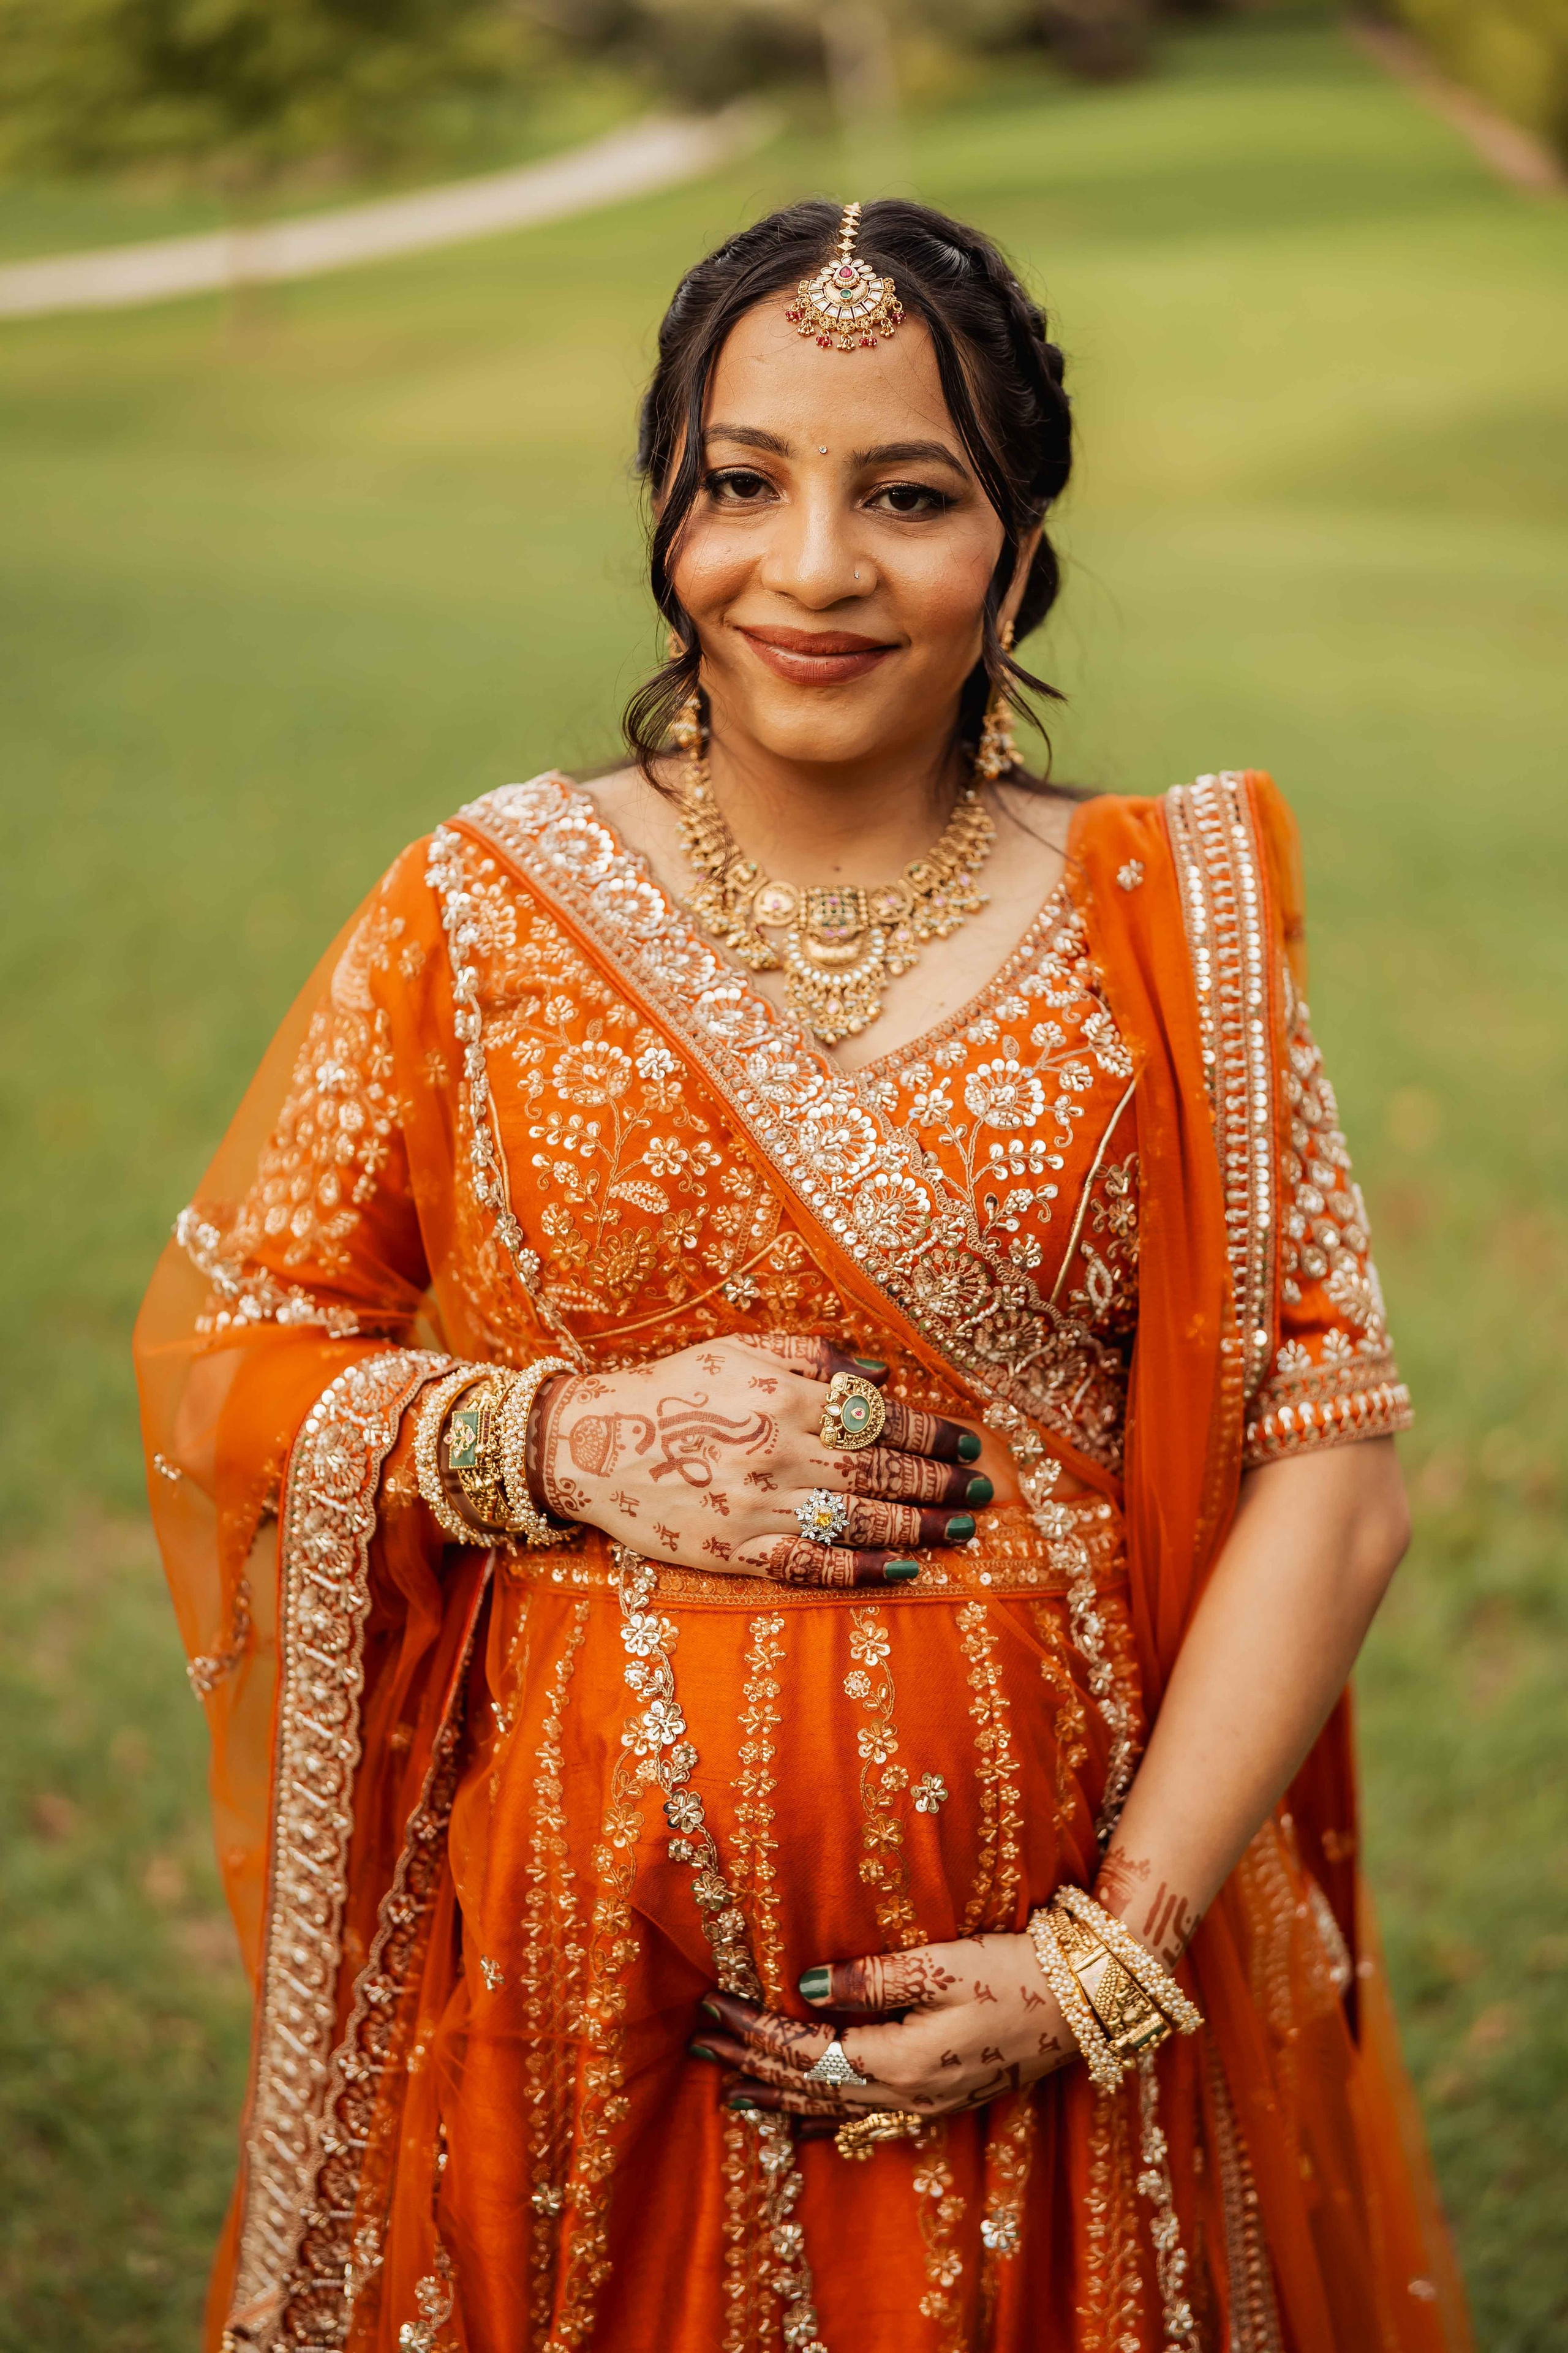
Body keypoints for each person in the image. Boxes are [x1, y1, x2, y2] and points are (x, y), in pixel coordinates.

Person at [135, 198, 1472, 2353]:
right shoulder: (484, 907)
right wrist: (556, 1439)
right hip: (582, 1966)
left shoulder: (1171, 919)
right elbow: (238, 1358)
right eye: (743, 482)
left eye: (910, 495)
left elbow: (1334, 1462)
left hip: (1053, 1970)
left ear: (1018, 547)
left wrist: (1107, 1958)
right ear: (668, 515)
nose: (816, 566)